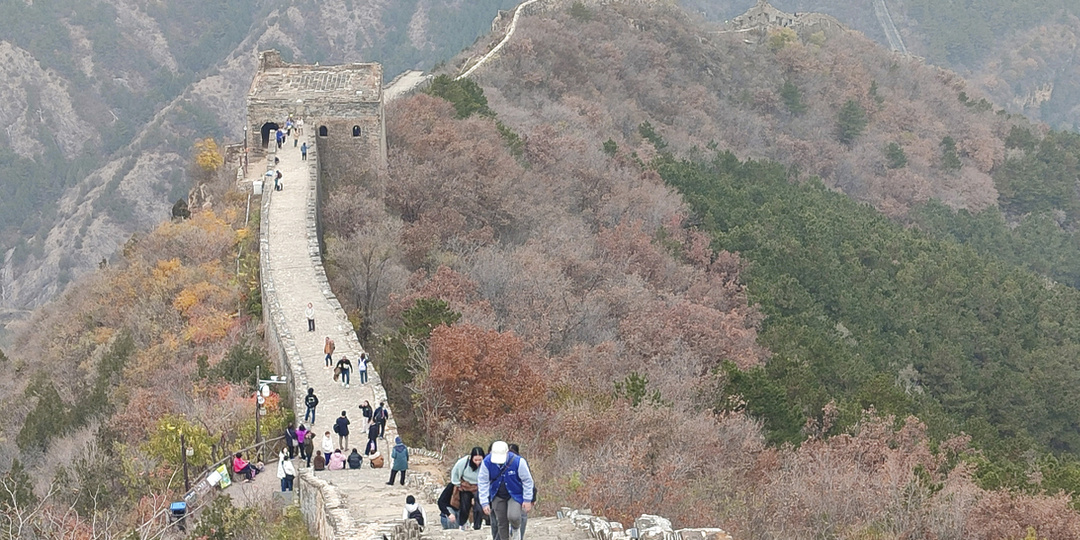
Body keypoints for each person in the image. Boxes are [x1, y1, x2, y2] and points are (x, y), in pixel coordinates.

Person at [479, 441, 533, 540]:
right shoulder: (486, 462)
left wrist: (527, 499)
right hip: (497, 494)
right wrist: (484, 502)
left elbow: (527, 481)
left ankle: (516, 529)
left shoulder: (518, 461)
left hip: (515, 494)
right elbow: (483, 482)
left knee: (514, 516)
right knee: (501, 522)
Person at [451, 447, 486, 530]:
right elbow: (454, 474)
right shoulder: (463, 462)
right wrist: (458, 484)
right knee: (465, 505)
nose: (478, 462)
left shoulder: (486, 463)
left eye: (480, 460)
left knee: (479, 505)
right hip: (466, 486)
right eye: (475, 460)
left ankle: (477, 525)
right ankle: (462, 524)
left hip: (479, 486)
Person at [508, 444, 535, 539]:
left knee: (522, 516)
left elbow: (529, 481)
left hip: (522, 494)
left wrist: (531, 498)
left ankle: (519, 536)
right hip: (509, 494)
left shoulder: (520, 462)